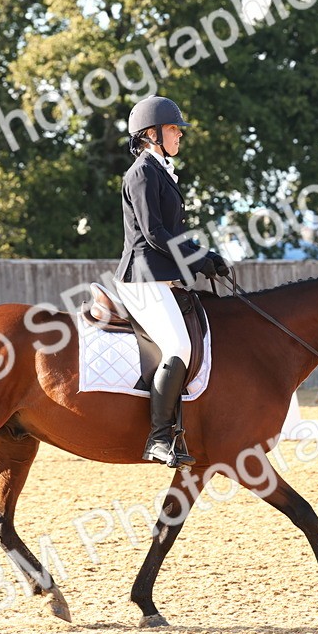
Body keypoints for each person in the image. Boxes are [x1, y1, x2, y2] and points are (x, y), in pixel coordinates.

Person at [114, 95, 230, 468]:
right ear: (151, 134)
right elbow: (154, 233)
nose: (179, 134)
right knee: (177, 346)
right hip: (143, 278)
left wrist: (205, 256)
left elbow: (174, 233)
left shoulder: (161, 171)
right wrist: (197, 259)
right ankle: (159, 437)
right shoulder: (142, 173)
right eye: (173, 128)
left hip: (162, 276)